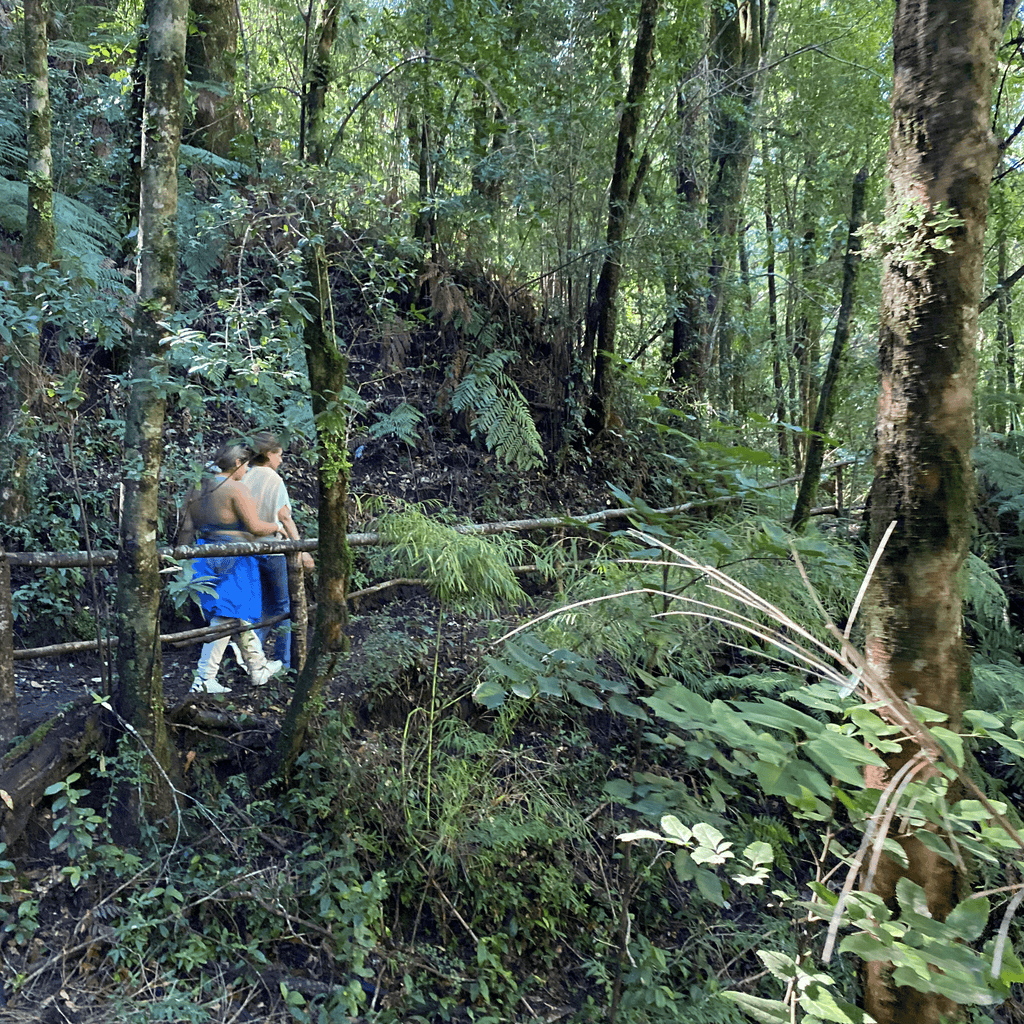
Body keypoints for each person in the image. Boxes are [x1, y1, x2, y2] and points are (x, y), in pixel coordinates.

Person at [181, 443, 286, 695]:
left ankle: (258, 668)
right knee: (226, 614)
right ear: (237, 463)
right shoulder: (235, 489)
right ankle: (204, 678)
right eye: (246, 464)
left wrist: (182, 561)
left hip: (204, 553)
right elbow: (254, 526)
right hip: (234, 556)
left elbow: (186, 529)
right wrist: (277, 526)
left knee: (235, 613)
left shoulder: (196, 489)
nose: (247, 469)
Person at [242, 431, 314, 668]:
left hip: (247, 549)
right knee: (283, 606)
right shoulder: (273, 480)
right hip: (273, 549)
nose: (281, 461)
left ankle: (253, 657)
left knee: (258, 606)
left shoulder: (243, 475)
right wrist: (301, 549)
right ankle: (284, 661)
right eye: (279, 455)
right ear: (268, 454)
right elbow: (284, 516)